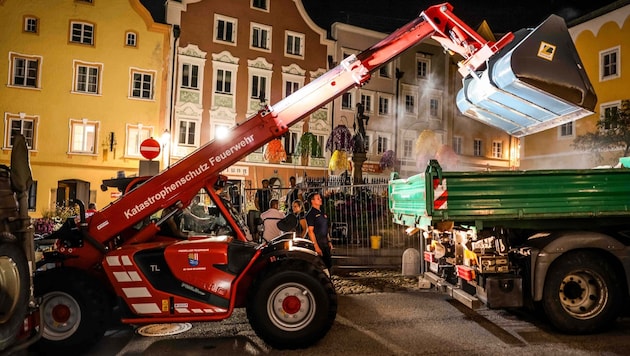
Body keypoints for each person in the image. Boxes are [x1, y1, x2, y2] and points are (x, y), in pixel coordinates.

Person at [306, 192, 333, 271]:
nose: (320, 199)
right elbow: (310, 231)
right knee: (320, 265)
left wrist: (329, 241)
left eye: (320, 198)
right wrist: (316, 246)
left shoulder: (321, 212)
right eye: (318, 198)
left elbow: (325, 228)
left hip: (325, 241)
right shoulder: (311, 214)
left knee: (328, 263)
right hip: (318, 241)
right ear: (312, 201)